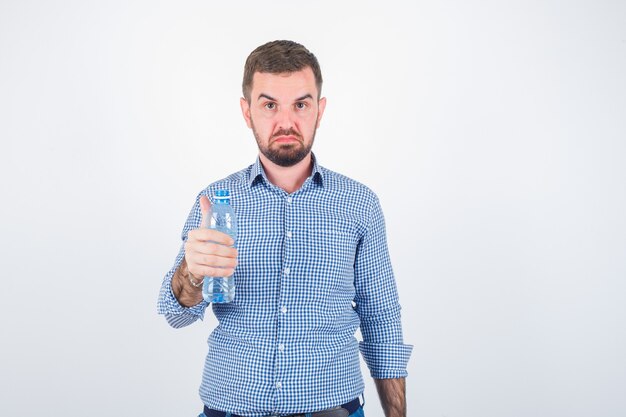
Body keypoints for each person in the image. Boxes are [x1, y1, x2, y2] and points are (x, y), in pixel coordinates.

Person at [158, 40, 412, 417]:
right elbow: (175, 313)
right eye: (269, 105)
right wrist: (191, 275)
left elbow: (382, 320)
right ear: (247, 111)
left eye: (301, 104)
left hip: (333, 409)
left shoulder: (360, 204)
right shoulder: (214, 202)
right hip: (229, 408)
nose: (286, 122)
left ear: (320, 110)